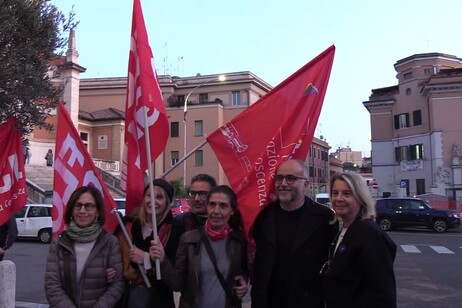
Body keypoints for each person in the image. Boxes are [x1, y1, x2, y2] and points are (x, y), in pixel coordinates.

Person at [251, 159, 337, 308]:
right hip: (268, 301)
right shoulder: (262, 217)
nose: (283, 183)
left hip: (308, 302)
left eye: (291, 179)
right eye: (279, 178)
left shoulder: (326, 219)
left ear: (305, 184)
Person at [150, 185, 248, 308]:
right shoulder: (189, 239)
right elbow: (177, 284)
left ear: (232, 210)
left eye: (223, 206)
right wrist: (163, 261)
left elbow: (242, 271)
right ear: (207, 207)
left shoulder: (238, 241)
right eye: (212, 204)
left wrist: (243, 283)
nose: (216, 211)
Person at [323, 172, 397, 308]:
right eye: (335, 193)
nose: (338, 198)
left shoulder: (369, 233)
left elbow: (382, 291)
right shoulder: (345, 228)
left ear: (360, 197)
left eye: (347, 194)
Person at [44, 185, 124, 307]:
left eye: (88, 206)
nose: (82, 211)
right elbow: (52, 284)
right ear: (72, 210)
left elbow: (117, 285)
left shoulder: (110, 242)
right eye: (78, 205)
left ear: (97, 211)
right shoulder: (59, 242)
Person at [118, 179, 182, 308]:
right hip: (126, 298)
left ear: (167, 202)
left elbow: (176, 280)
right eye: (149, 196)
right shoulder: (127, 225)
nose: (153, 201)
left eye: (159, 197)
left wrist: (147, 259)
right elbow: (114, 255)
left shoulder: (175, 229)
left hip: (159, 300)